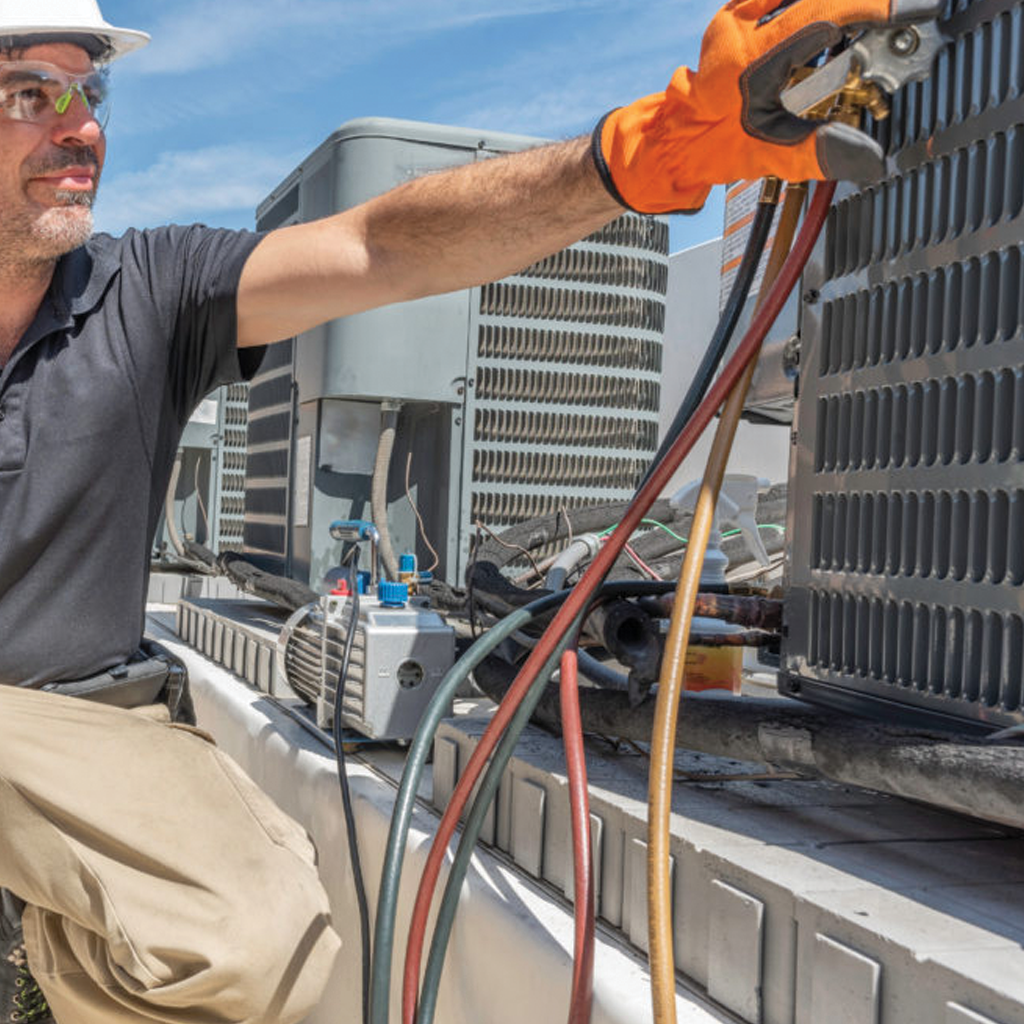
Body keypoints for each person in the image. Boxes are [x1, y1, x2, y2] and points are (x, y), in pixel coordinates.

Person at [0, 0, 941, 1021]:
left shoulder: (148, 290)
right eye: (27, 94)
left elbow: (383, 246)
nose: (80, 126)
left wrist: (642, 153)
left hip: (75, 723)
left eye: (90, 92)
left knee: (252, 942)